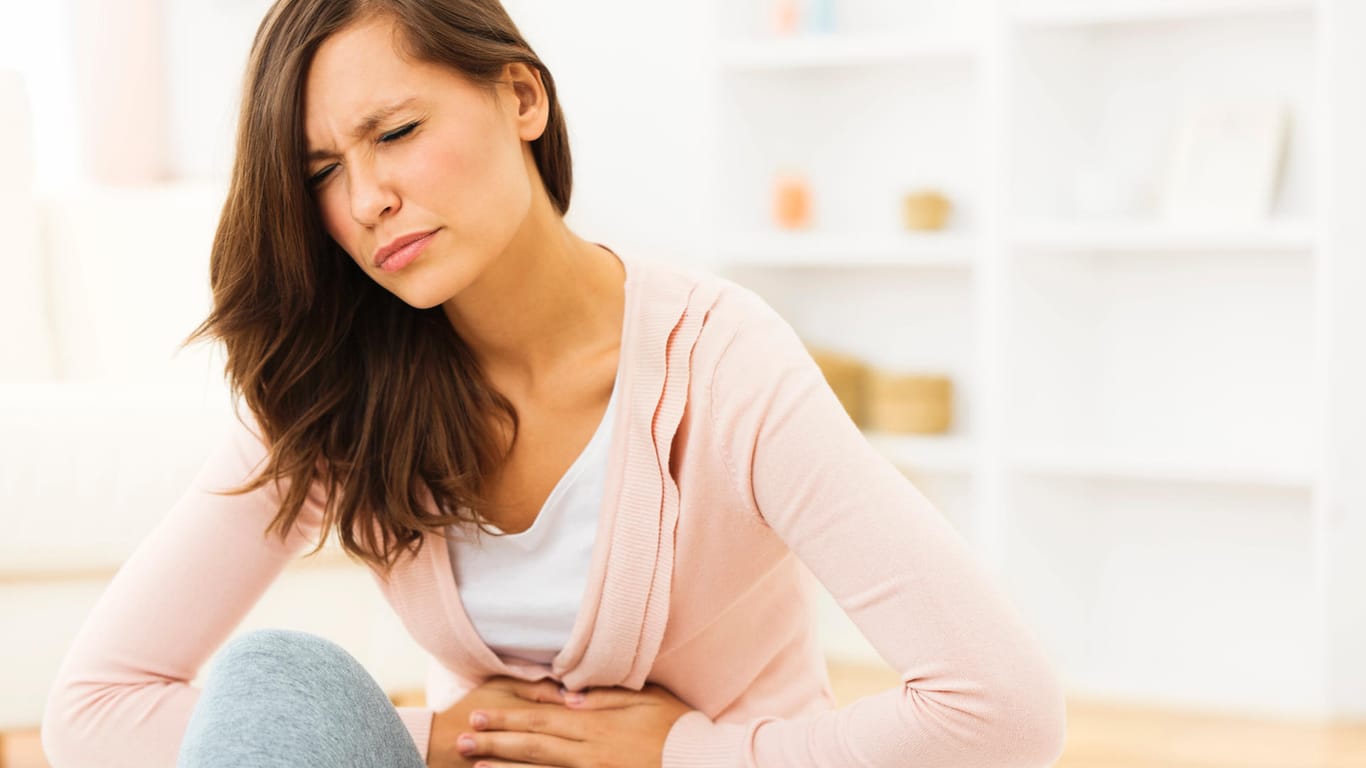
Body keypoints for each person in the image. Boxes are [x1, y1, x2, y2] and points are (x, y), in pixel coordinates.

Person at [40, 1, 1067, 766]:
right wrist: (441, 737)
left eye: (395, 133)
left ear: (521, 97)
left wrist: (683, 755)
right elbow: (91, 708)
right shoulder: (336, 387)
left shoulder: (719, 363)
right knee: (278, 681)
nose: (366, 200)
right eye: (319, 173)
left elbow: (1000, 706)